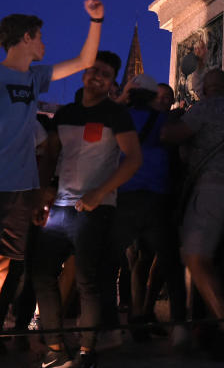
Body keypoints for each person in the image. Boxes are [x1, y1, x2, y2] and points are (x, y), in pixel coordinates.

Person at [0, 0, 104, 358]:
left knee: (0, 272)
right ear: (26, 37)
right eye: (40, 36)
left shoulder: (34, 76)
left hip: (22, 184)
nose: (45, 44)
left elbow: (84, 61)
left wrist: (96, 21)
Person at [32, 50, 142, 368]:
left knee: (87, 279)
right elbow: (52, 156)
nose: (97, 77)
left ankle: (87, 351)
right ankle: (56, 346)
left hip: (95, 206)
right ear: (84, 72)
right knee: (41, 272)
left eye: (105, 74)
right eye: (94, 70)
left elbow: (133, 158)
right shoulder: (65, 113)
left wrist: (100, 192)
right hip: (61, 205)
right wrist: (44, 195)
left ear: (112, 82)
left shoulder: (116, 114)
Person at [160, 68, 224, 356]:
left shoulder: (206, 108)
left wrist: (159, 118)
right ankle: (208, 325)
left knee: (195, 256)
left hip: (211, 188)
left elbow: (173, 135)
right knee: (218, 261)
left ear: (206, 90)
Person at [114, 73, 188, 347]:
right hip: (157, 197)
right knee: (169, 261)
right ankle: (179, 324)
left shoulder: (120, 118)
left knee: (124, 262)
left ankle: (125, 320)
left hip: (125, 195)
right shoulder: (164, 121)